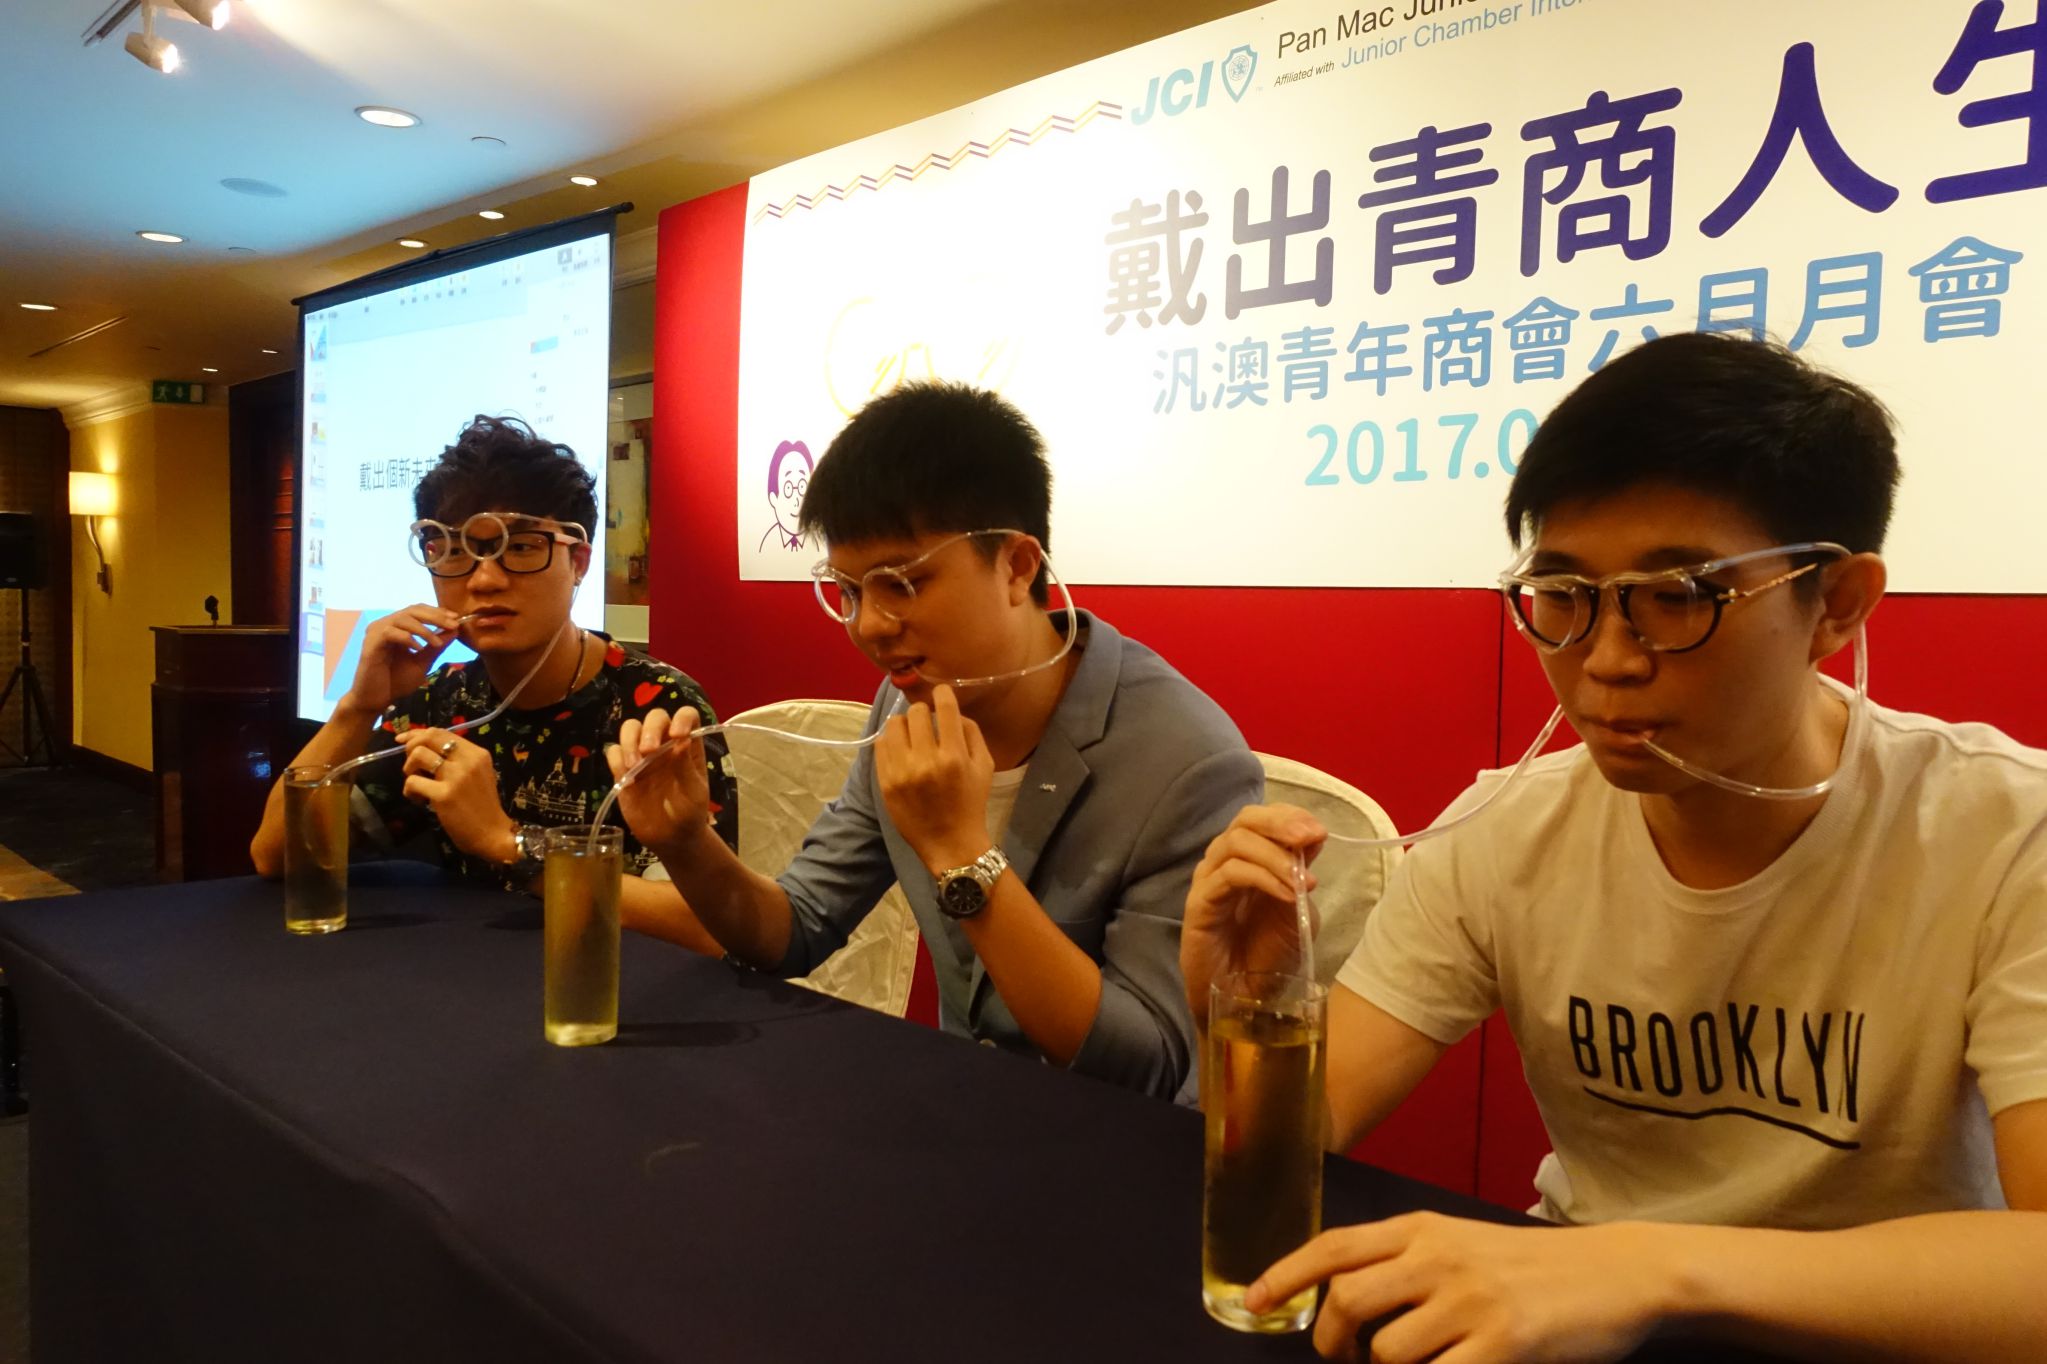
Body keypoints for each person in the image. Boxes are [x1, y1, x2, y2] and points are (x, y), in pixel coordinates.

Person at [1184, 333, 2047, 1361]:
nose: (1604, 661)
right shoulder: (1506, 828)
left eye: (1677, 598)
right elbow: (1308, 1129)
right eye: (1564, 596)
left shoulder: (2002, 832)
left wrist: (1647, 1265)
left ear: (1837, 604)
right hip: (1575, 1318)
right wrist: (1249, 999)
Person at [611, 382, 1263, 1101]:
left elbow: (1149, 1065)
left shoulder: (1185, 760)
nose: (869, 625)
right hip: (963, 1110)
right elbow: (795, 930)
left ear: (1017, 566)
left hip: (1110, 1142)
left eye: (902, 583)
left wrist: (960, 853)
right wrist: (687, 843)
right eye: (849, 592)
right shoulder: (906, 705)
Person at [251, 416, 737, 950]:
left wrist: (506, 844)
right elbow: (277, 855)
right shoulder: (439, 702)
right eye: (455, 551)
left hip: (611, 983)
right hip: (463, 977)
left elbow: (710, 926)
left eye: (521, 547)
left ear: (578, 562)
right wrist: (358, 708)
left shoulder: (657, 705)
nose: (484, 579)